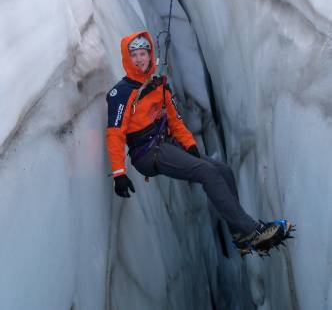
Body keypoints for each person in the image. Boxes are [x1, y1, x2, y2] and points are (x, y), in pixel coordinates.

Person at [105, 30, 293, 255]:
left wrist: (190, 145)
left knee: (222, 170)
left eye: (143, 53)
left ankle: (240, 233)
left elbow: (176, 121)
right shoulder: (121, 93)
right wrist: (119, 173)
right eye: (133, 55)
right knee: (208, 173)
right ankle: (252, 232)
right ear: (127, 58)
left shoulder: (159, 87)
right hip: (148, 154)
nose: (139, 59)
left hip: (167, 144)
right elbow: (114, 134)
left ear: (150, 54)